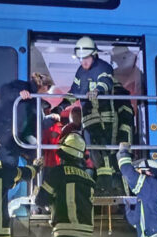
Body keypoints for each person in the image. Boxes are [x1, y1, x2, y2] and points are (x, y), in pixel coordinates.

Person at [52, 36, 117, 194]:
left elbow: (106, 83)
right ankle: (102, 185)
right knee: (94, 152)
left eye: (85, 58)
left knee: (106, 153)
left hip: (104, 118)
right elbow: (74, 92)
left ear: (94, 54)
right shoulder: (80, 71)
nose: (83, 62)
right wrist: (60, 107)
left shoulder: (104, 67)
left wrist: (97, 91)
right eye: (80, 59)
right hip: (88, 120)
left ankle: (109, 187)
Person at [0, 72, 56, 168]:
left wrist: (52, 119)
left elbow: (36, 124)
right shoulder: (21, 85)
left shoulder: (36, 101)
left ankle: (31, 176)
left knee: (35, 154)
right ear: (45, 87)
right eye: (46, 91)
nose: (45, 94)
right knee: (10, 167)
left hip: (15, 138)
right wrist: (19, 94)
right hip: (4, 134)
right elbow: (3, 92)